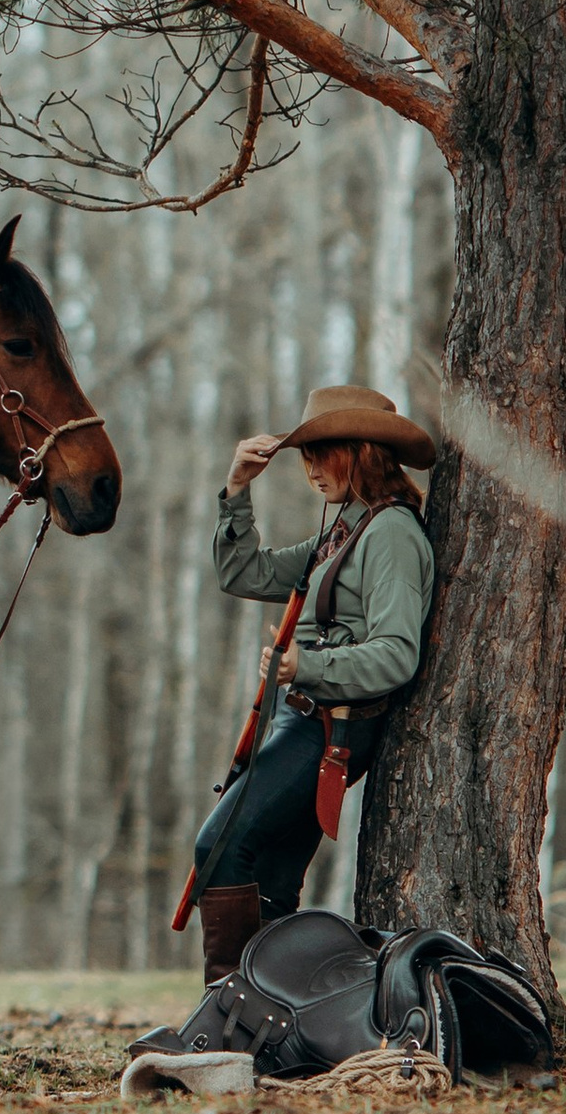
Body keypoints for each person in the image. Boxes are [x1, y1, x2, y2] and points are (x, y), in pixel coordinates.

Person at [184, 382, 436, 979]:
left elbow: (397, 656)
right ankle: (267, 1022)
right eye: (305, 455)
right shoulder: (345, 529)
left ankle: (224, 1011)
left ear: (364, 452)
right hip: (305, 723)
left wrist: (307, 666)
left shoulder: (392, 534)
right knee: (268, 878)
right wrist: (237, 489)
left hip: (332, 728)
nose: (310, 470)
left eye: (323, 452)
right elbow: (243, 571)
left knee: (217, 849)